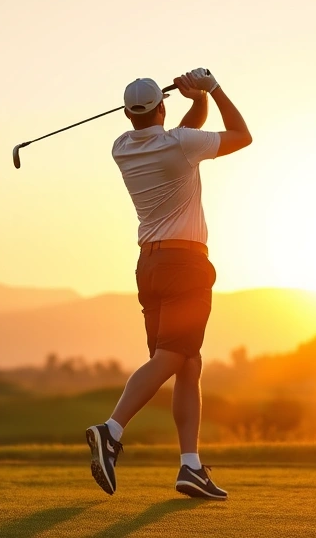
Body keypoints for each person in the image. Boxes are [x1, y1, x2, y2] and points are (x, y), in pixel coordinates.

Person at [85, 68, 252, 499]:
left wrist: (195, 100)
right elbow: (241, 135)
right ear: (162, 107)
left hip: (150, 268)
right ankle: (111, 430)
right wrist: (211, 89)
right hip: (185, 266)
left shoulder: (122, 146)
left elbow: (182, 135)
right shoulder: (179, 144)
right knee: (175, 356)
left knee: (186, 363)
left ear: (127, 114)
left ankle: (190, 466)